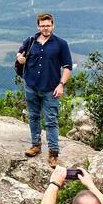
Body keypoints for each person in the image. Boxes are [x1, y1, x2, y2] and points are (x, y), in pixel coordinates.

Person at [15, 12, 72, 163]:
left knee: (51, 120)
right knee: (33, 117)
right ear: (38, 26)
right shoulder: (30, 41)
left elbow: (67, 67)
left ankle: (53, 153)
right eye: (43, 26)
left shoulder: (61, 44)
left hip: (51, 89)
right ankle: (35, 145)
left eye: (48, 25)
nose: (45, 28)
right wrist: (19, 58)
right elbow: (20, 54)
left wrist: (61, 85)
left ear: (53, 25)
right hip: (31, 86)